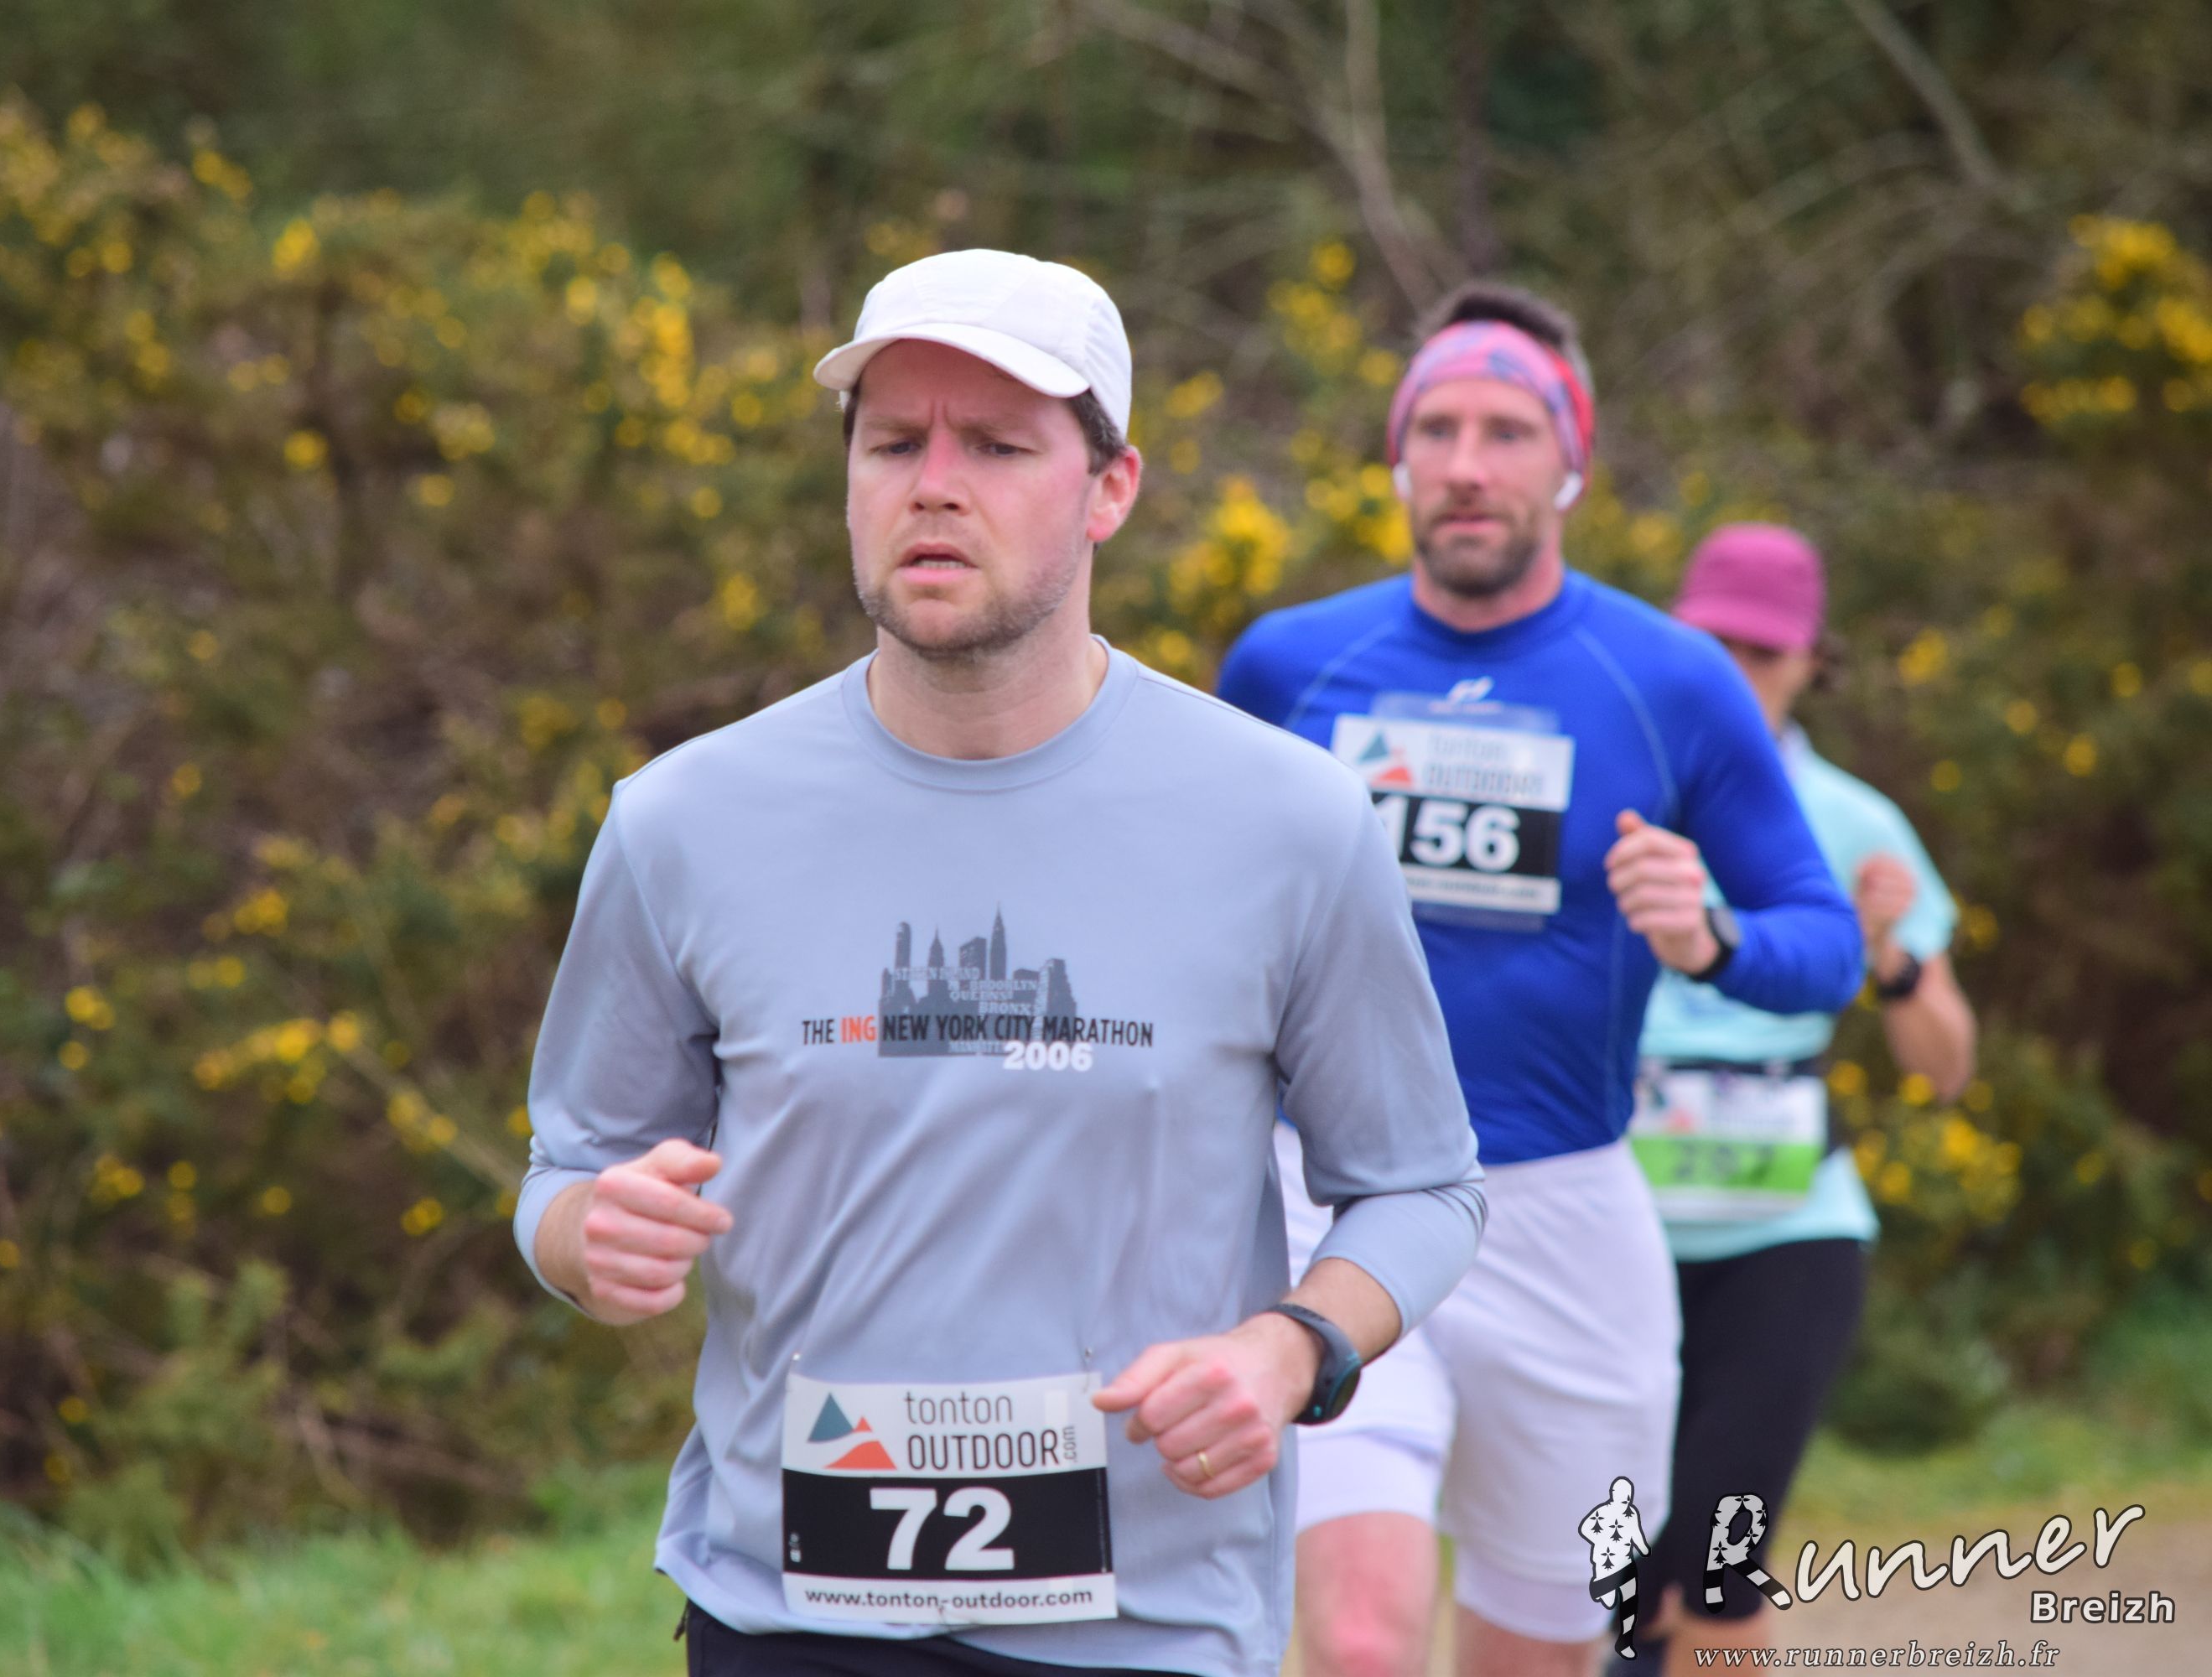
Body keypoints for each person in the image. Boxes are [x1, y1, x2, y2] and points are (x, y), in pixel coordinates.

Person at [515, 247, 1487, 1677]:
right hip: (789, 1614)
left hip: (1147, 1630)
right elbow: (566, 1171)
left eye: (997, 445)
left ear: (1111, 488)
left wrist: (1291, 1351)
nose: (933, 485)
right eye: (892, 443)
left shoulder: (1287, 821)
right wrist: (586, 1239)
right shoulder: (684, 821)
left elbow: (1421, 1187)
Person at [1218, 283, 1864, 1677]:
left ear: (1571, 463)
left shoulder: (1669, 681)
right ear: (1396, 460)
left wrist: (1712, 939)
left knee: (1541, 1654)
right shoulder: (1289, 667)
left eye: (1507, 432)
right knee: (1363, 1642)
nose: (1467, 464)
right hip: (1331, 1198)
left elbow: (1828, 948)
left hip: (1564, 1215)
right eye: (1436, 430)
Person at [1623, 524, 1978, 1674]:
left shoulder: (1859, 825)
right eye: (1713, 643)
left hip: (1787, 1239)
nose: (1735, 672)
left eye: (1764, 652)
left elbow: (1945, 1066)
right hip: (1608, 1231)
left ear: (1814, 660)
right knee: (1617, 1582)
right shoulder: (1616, 786)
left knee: (1719, 1569)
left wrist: (1892, 959)